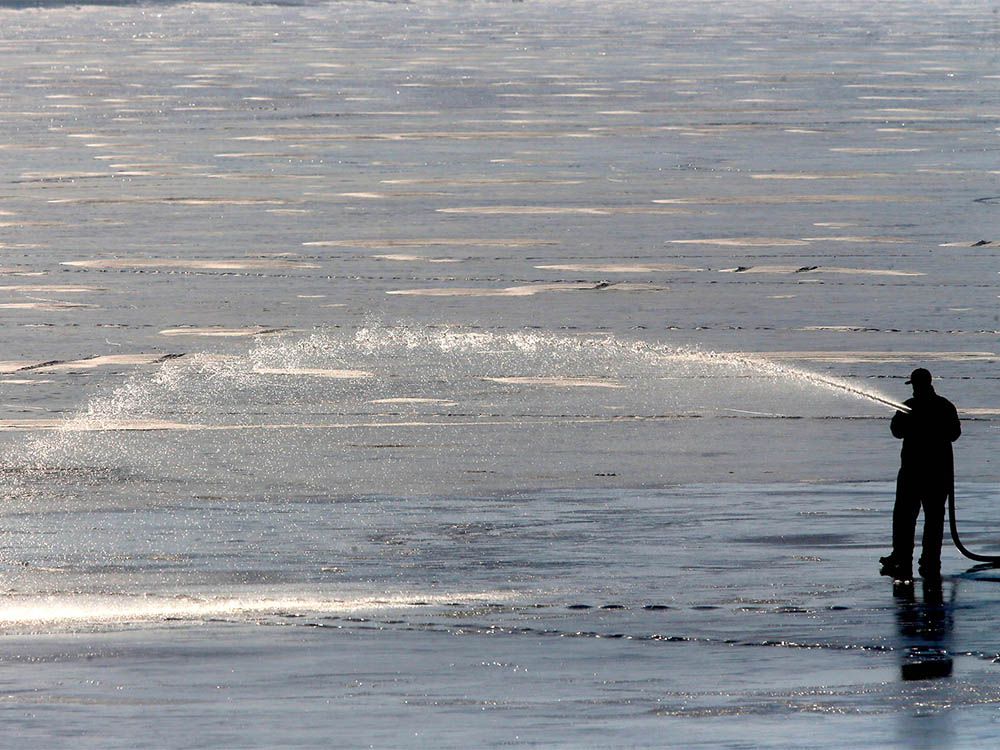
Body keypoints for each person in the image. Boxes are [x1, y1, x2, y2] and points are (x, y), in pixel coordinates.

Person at [880, 368, 961, 581]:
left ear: (917, 385)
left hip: (913, 472)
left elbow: (896, 431)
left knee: (905, 518)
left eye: (915, 385)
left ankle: (903, 558)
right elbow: (955, 433)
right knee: (933, 519)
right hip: (938, 473)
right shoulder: (944, 405)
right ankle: (929, 561)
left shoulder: (909, 406)